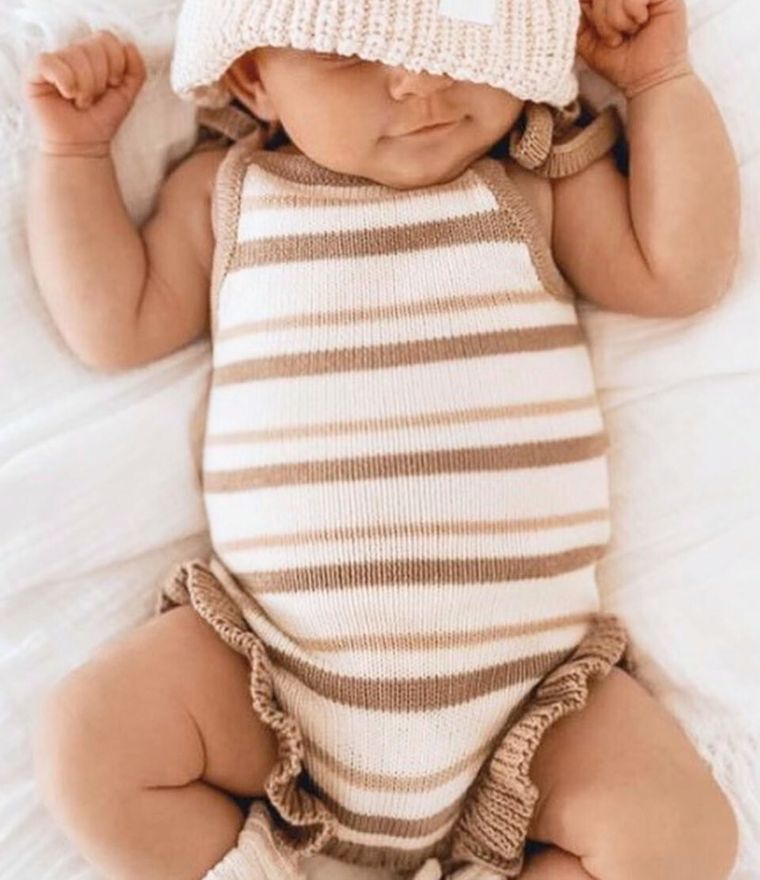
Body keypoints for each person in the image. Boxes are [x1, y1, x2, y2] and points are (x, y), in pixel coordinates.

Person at [25, 1, 741, 878]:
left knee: (682, 841)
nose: (421, 80)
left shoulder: (530, 176)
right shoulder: (231, 193)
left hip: (531, 701)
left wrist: (659, 82)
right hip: (274, 671)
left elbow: (680, 270)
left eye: (456, 42)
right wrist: (74, 156)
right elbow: (116, 324)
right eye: (352, 58)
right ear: (253, 77)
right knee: (89, 741)